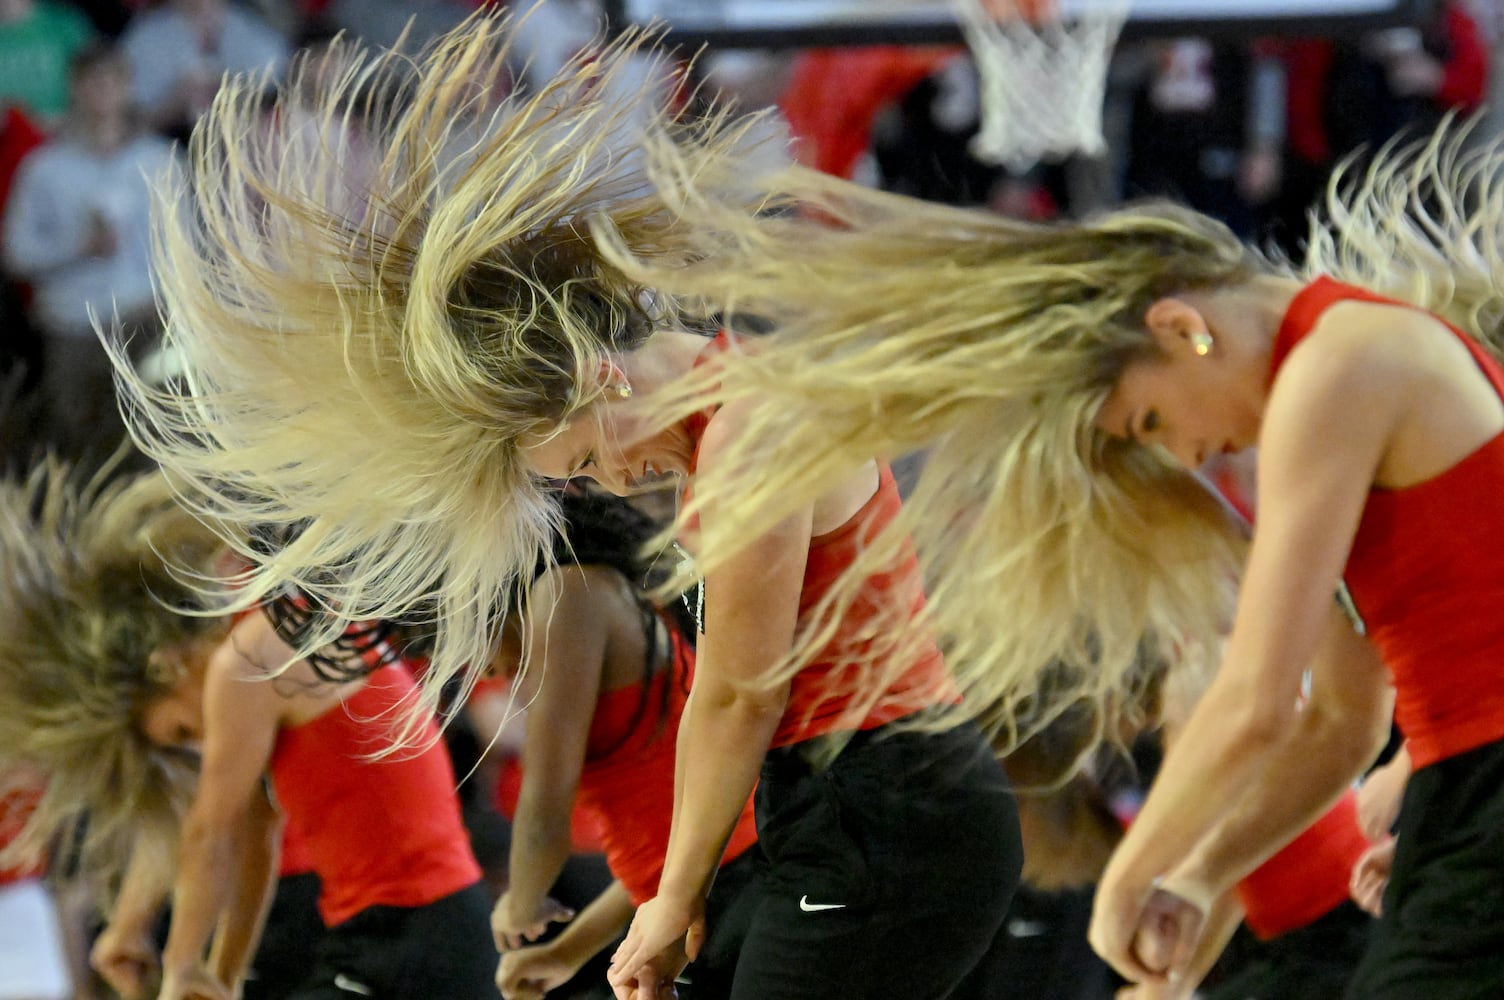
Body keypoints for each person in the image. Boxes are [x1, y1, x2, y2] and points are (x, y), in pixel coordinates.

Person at [107, 17, 1021, 1000]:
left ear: (598, 377)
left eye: (587, 457)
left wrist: (670, 899)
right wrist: (650, 905)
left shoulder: (751, 422)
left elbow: (740, 697)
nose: (614, 485)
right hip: (830, 810)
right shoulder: (713, 439)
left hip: (893, 805)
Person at [575, 119, 1504, 996]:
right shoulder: (1347, 367)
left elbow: (1259, 698)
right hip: (1464, 790)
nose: (1180, 454)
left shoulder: (1336, 367)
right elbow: (1342, 719)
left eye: (1147, 421)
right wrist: (1198, 876)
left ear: (1182, 330)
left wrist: (1130, 879)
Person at [0, 463, 501, 1000]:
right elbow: (252, 836)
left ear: (166, 664)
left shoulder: (246, 661)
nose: (197, 739)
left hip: (413, 930)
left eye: (180, 728)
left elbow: (205, 832)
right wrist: (221, 973)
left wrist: (179, 968)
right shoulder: (280, 626)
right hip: (408, 927)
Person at [484, 489, 761, 1000]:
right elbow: (656, 851)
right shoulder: (610, 593)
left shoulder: (568, 594)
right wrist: (566, 951)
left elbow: (546, 806)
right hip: (713, 892)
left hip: (722, 899)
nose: (481, 668)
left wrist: (518, 906)